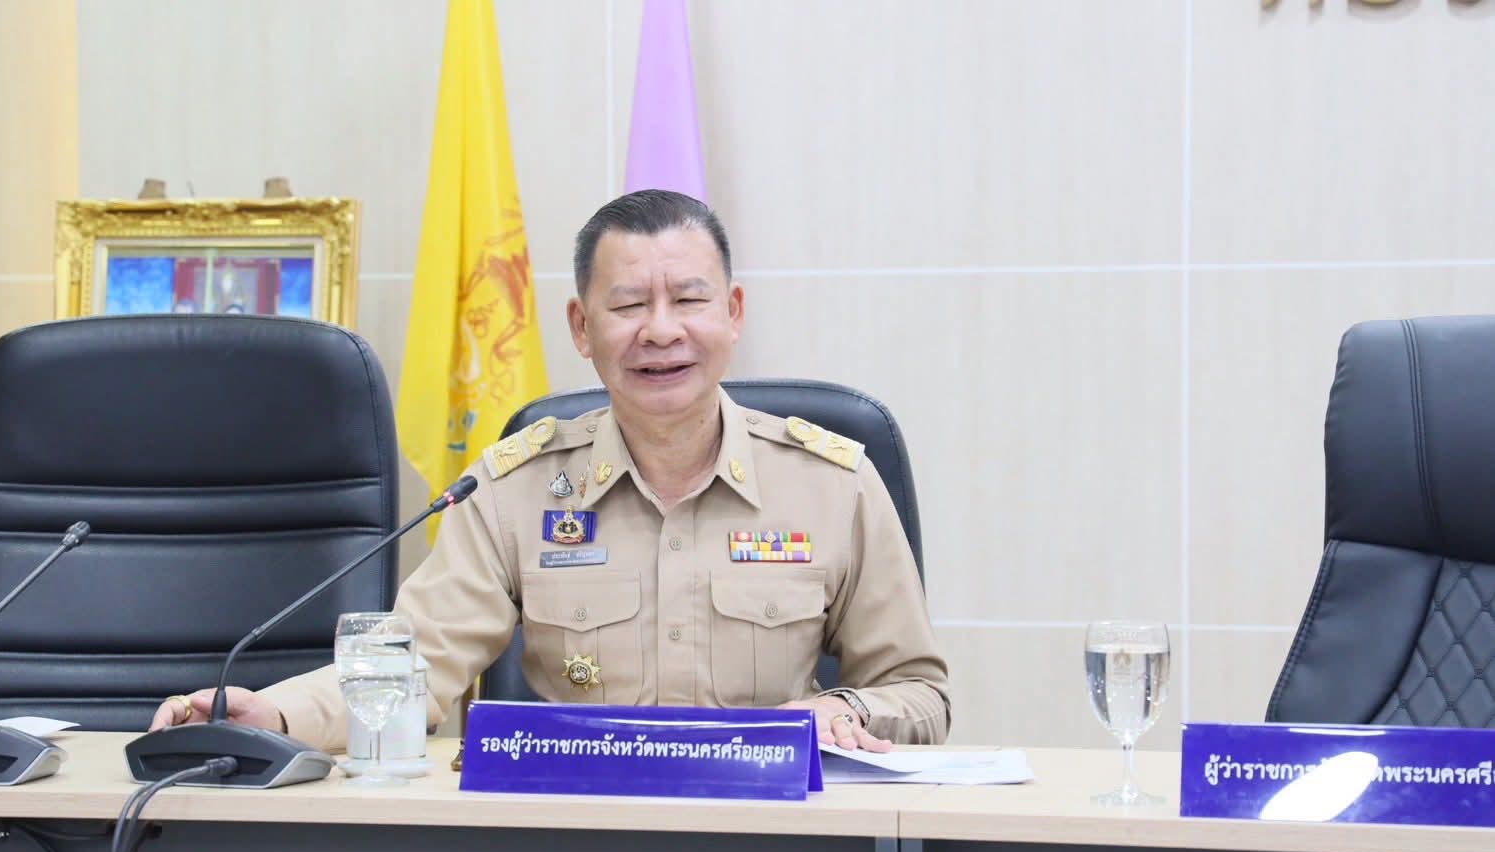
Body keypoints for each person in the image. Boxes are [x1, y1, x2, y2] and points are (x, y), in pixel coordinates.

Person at [151, 190, 950, 750]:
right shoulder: (514, 488)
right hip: (576, 845)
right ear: (581, 326)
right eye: (629, 304)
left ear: (733, 314)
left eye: (690, 300)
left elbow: (921, 690)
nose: (660, 331)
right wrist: (273, 715)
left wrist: (837, 712)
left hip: (784, 839)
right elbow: (410, 667)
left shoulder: (833, 481)